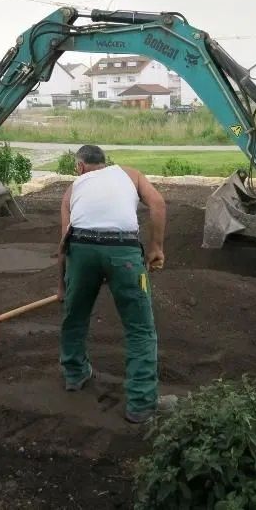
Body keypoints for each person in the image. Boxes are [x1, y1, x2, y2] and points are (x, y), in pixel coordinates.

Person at [57, 144, 176, 424]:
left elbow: (63, 244)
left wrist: (62, 286)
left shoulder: (73, 188)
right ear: (106, 163)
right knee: (140, 329)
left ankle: (74, 375)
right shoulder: (130, 174)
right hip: (123, 252)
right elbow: (158, 204)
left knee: (74, 317)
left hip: (81, 249)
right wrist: (156, 248)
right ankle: (141, 404)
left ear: (80, 166)